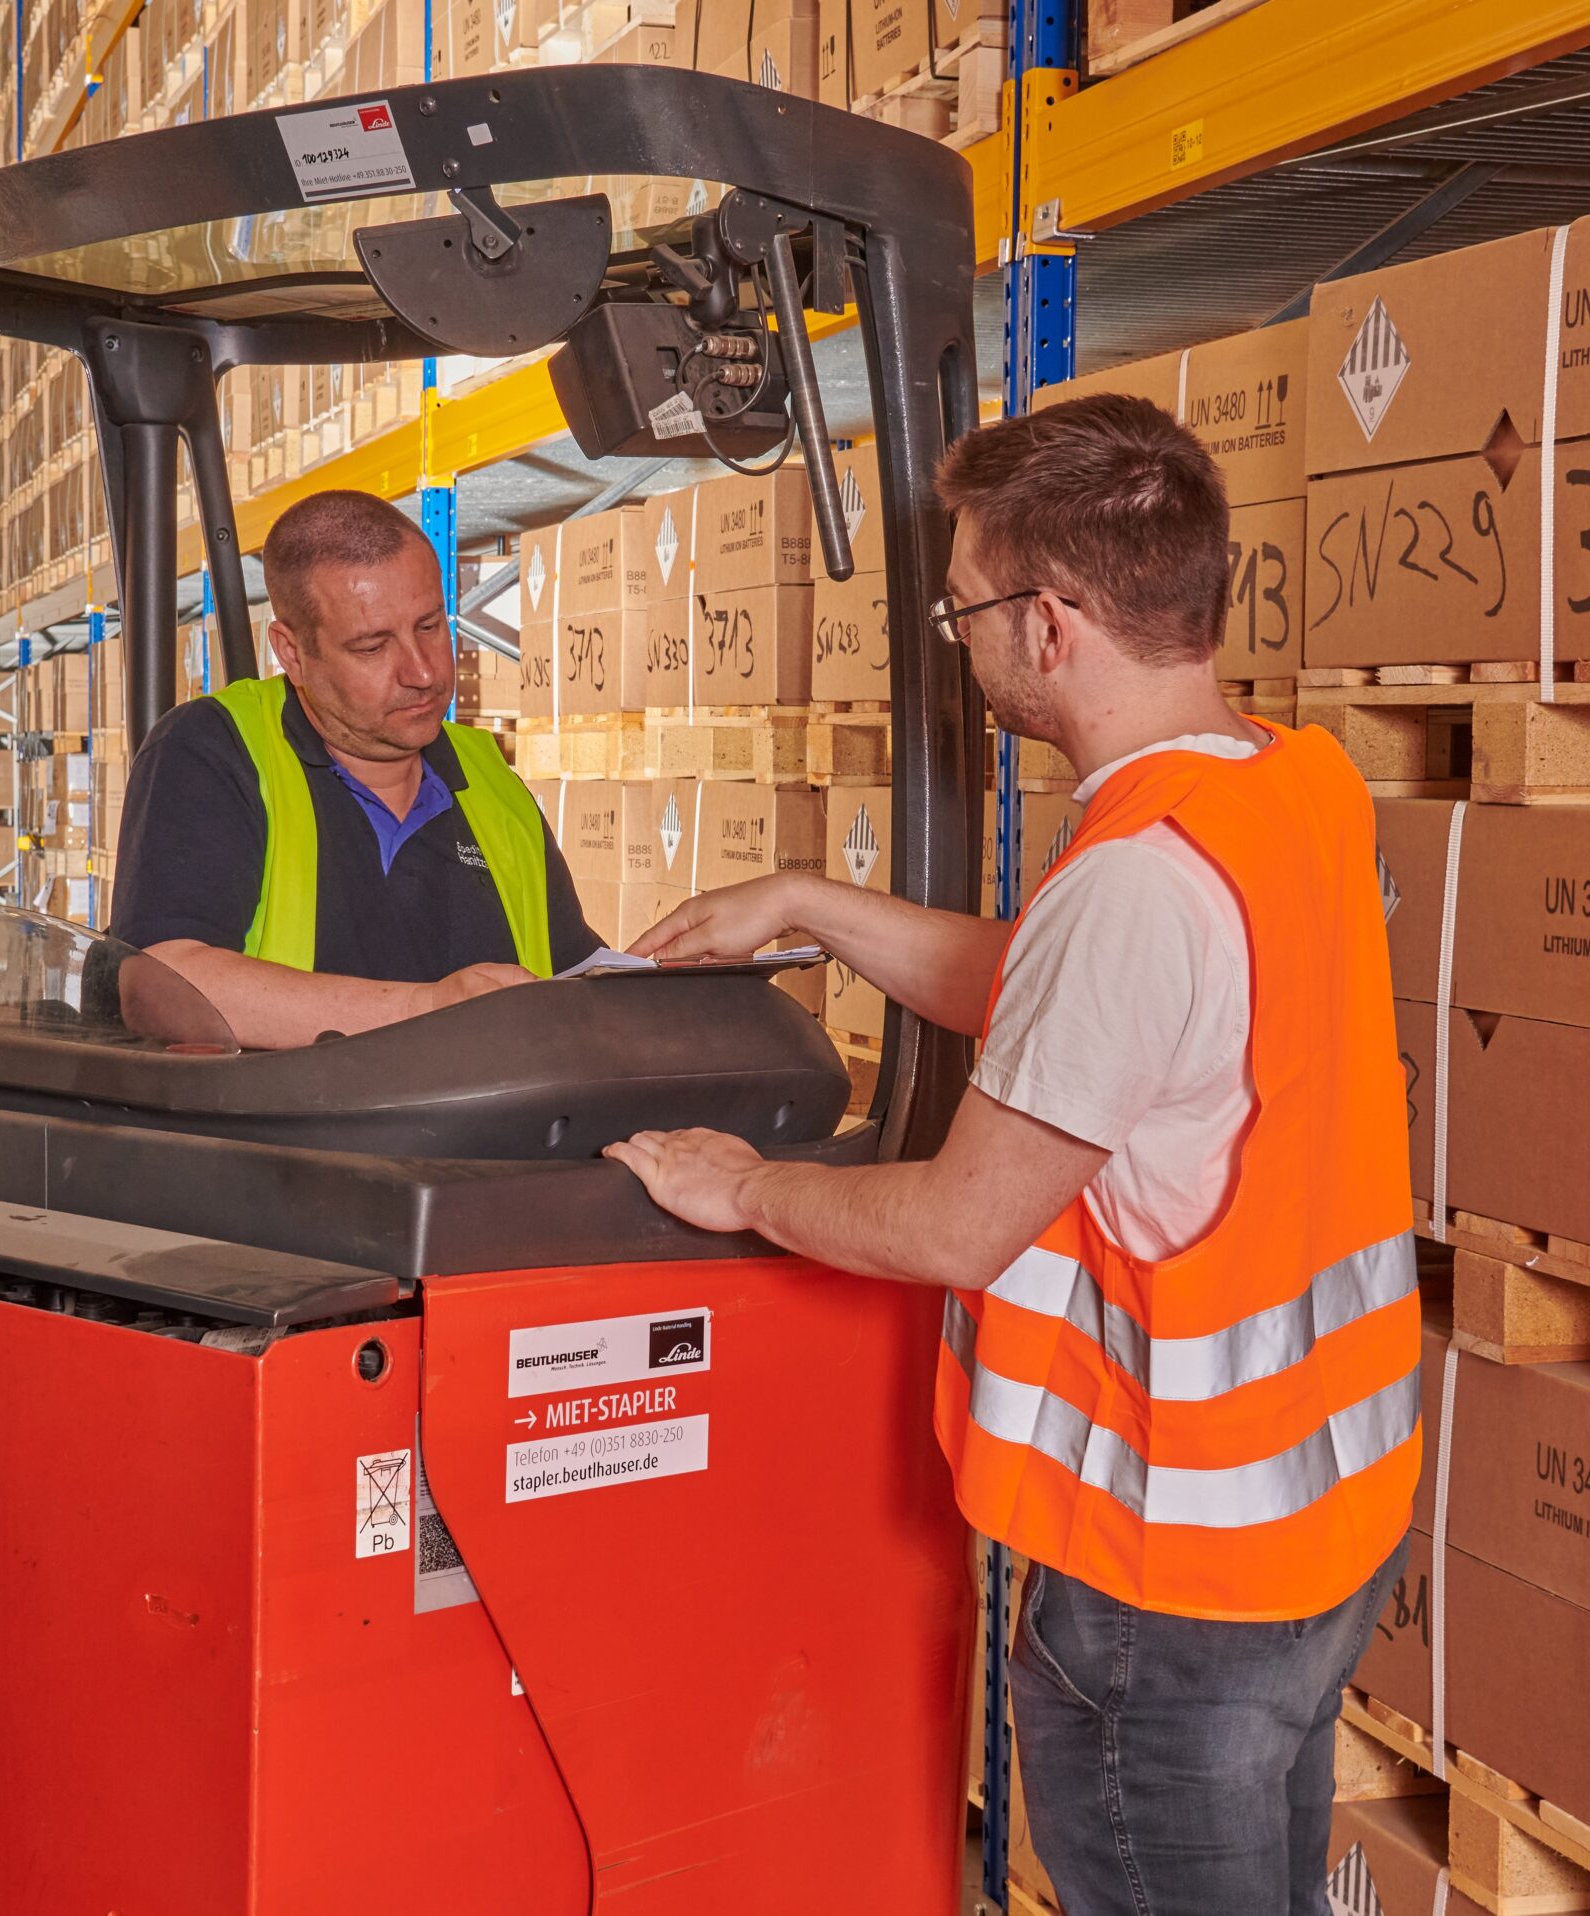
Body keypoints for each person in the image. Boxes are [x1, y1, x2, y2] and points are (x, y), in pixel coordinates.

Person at [603, 394, 1419, 1915]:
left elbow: (956, 1227)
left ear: (1047, 624)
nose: (958, 635)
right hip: (1323, 1527)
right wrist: (811, 903)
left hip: (1168, 1582)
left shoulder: (1135, 882)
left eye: (963, 604)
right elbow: (1078, 1014)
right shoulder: (1289, 791)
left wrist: (743, 1189)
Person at [108, 490, 603, 1048]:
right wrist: (428, 1008)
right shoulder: (214, 751)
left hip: (498, 1133)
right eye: (372, 647)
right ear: (291, 653)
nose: (421, 672)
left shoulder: (487, 774)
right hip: (288, 1131)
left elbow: (571, 974)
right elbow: (159, 984)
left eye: (430, 626)